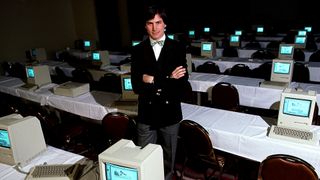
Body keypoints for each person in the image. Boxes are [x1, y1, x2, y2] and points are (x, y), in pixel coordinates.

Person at [130, 4, 189, 180]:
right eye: (150, 23)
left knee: (169, 160)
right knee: (143, 157)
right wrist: (167, 78)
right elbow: (135, 86)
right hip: (146, 113)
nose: (154, 28)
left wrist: (151, 79)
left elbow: (181, 84)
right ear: (145, 25)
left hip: (170, 112)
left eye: (158, 22)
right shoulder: (137, 49)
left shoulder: (178, 47)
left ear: (165, 24)